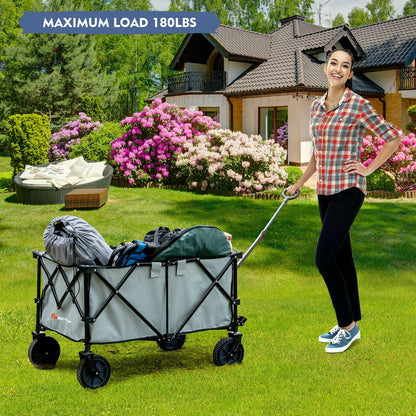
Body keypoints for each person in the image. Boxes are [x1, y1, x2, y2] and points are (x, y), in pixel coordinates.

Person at [287, 48, 402, 353]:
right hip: (325, 190)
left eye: (345, 66)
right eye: (334, 63)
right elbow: (317, 156)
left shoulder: (358, 105)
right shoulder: (315, 106)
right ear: (326, 68)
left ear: (351, 74)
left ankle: (347, 327)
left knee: (324, 258)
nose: (338, 69)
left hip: (349, 188)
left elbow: (393, 136)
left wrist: (368, 167)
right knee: (341, 258)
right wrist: (299, 183)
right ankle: (351, 322)